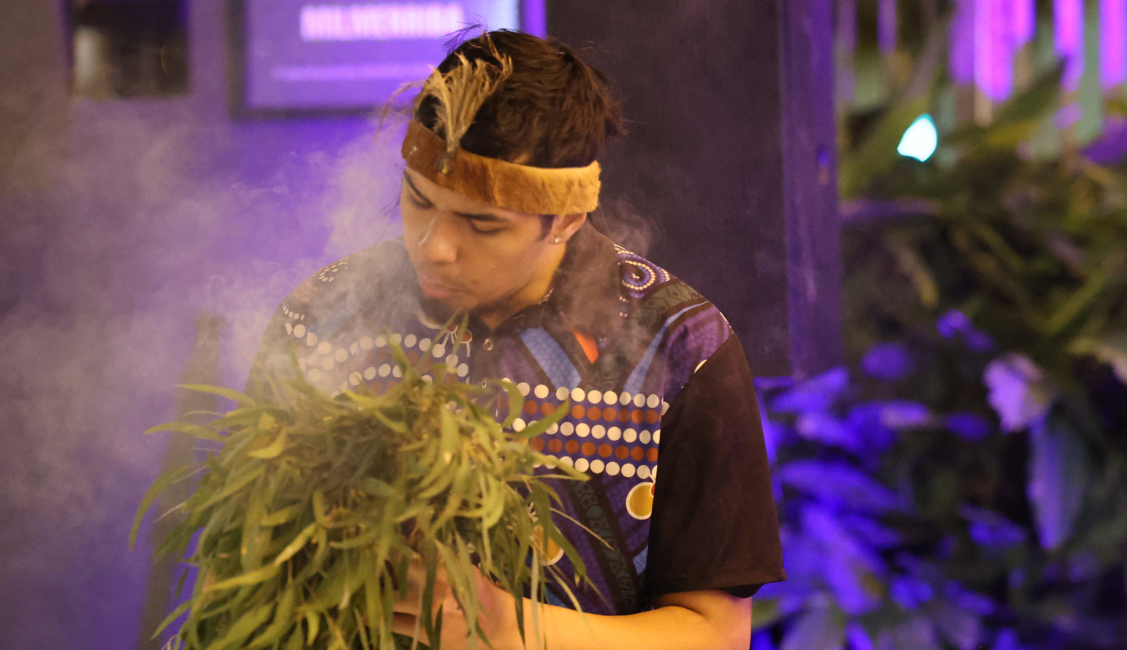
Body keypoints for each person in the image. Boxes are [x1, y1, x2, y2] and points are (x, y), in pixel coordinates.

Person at [253, 30, 784, 650]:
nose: (435, 248)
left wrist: (508, 629)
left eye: (482, 223)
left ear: (565, 218)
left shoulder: (681, 347)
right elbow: (258, 564)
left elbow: (715, 636)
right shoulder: (323, 317)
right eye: (418, 201)